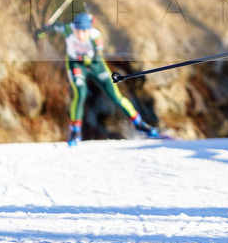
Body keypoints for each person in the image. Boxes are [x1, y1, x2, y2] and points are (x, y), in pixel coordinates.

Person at [40, 12, 159, 145]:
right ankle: (75, 132)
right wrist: (44, 29)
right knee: (80, 94)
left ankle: (140, 124)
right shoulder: (69, 30)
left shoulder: (95, 36)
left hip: (96, 65)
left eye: (83, 31)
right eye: (77, 31)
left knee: (115, 96)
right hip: (76, 65)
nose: (80, 35)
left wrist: (88, 58)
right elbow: (55, 26)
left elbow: (97, 55)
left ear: (88, 29)